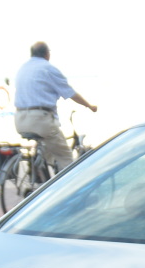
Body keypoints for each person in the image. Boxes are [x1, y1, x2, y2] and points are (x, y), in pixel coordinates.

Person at [13, 42, 98, 171]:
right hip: (40, 120)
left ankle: (40, 169)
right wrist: (89, 106)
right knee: (66, 156)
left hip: (20, 120)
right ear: (47, 54)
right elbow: (70, 93)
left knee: (49, 146)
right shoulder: (48, 68)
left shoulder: (22, 68)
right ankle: (69, 187)